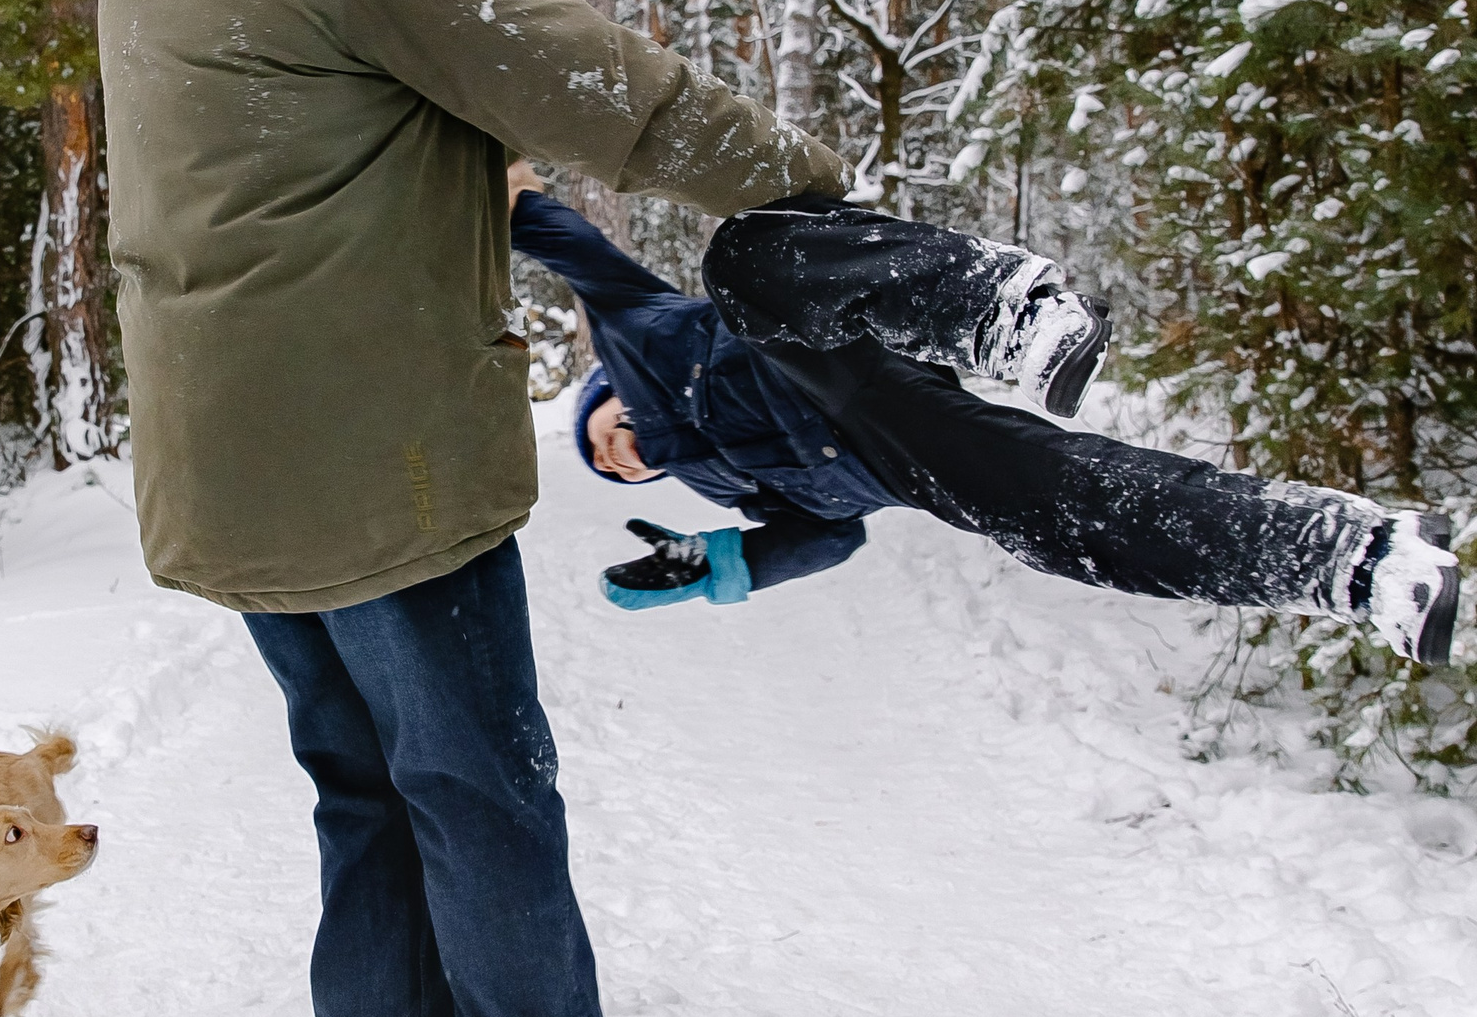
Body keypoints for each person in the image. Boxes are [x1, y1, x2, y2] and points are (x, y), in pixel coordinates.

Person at [91, 0, 854, 1017]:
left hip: (226, 453)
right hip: (377, 454)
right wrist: (812, 189)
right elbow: (610, 93)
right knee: (480, 792)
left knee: (364, 791)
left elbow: (299, 142)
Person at [507, 170, 1461, 662]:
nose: (619, 458)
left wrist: (497, 188)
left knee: (742, 255)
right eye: (616, 474)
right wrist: (722, 561)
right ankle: (1353, 560)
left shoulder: (636, 331)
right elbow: (830, 536)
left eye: (604, 442)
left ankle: (1009, 313)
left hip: (810, 354)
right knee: (1046, 506)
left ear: (602, 401)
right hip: (890, 444)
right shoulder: (720, 485)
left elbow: (569, 243)